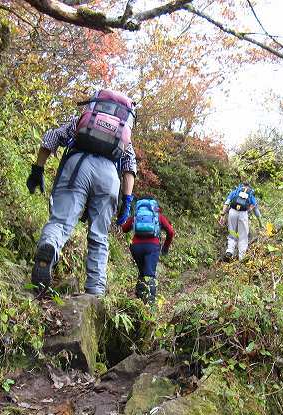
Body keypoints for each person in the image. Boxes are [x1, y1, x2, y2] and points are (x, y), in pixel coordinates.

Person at [26, 89, 137, 295]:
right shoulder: (122, 133)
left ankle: (49, 247)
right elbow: (129, 165)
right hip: (109, 176)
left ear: (95, 104)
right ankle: (95, 291)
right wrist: (127, 200)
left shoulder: (84, 120)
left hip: (78, 167)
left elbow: (52, 137)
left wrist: (38, 169)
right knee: (99, 236)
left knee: (60, 222)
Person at [120, 197, 174, 303]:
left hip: (136, 247)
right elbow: (171, 232)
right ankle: (149, 304)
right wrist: (165, 248)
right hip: (152, 247)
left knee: (142, 272)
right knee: (149, 274)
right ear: (154, 206)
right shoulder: (158, 216)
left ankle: (140, 301)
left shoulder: (136, 216)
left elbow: (124, 229)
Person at [218, 182, 258, 261]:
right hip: (243, 214)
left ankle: (230, 250)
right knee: (243, 235)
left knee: (232, 231)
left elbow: (227, 203)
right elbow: (254, 205)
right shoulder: (250, 194)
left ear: (241, 186)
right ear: (249, 187)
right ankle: (241, 256)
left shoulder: (235, 191)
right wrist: (248, 209)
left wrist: (222, 215)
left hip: (232, 212)